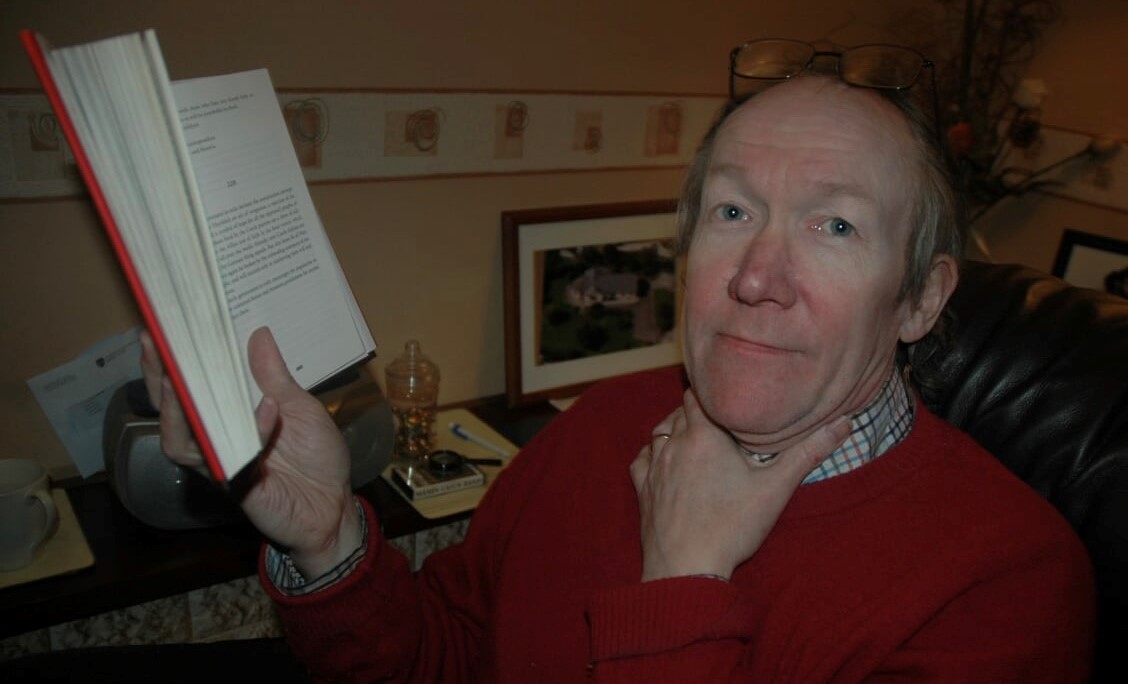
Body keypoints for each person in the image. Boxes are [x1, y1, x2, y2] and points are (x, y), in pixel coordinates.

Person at [141, 45, 1095, 682]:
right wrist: (327, 541)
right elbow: (447, 657)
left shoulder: (1007, 584)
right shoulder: (598, 427)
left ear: (922, 298)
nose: (756, 277)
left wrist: (682, 580)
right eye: (732, 211)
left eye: (835, 226)